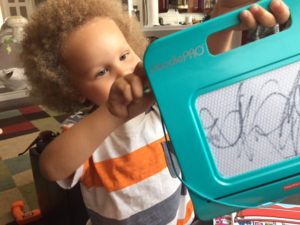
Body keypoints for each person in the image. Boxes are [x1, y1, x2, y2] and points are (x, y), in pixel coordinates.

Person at [21, 0, 290, 224]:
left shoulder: (160, 104)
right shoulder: (86, 130)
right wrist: (114, 114)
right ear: (74, 90)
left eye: (124, 56)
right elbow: (51, 167)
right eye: (102, 72)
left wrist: (222, 19)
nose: (123, 73)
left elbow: (204, 77)